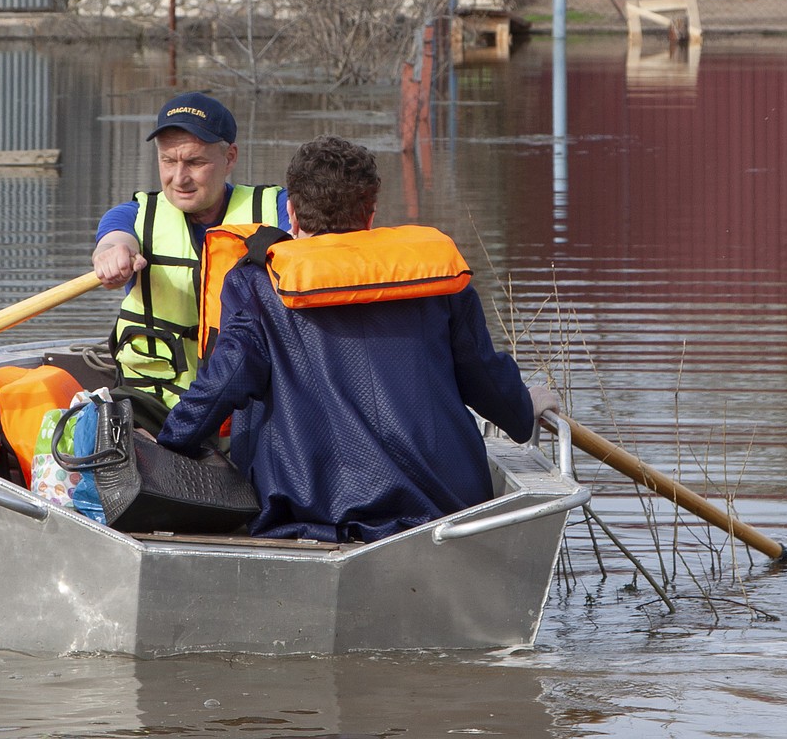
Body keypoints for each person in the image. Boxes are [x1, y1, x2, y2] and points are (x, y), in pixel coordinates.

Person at [157, 135, 560, 542]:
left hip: (311, 511)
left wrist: (167, 444)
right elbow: (483, 377)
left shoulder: (255, 282)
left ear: (292, 215)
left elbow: (228, 376)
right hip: (444, 505)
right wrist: (523, 407)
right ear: (371, 216)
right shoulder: (436, 278)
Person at [93, 92, 288, 426]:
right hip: (155, 409)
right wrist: (113, 256)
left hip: (250, 412)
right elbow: (113, 240)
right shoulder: (133, 216)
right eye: (168, 161)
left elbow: (317, 251)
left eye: (195, 162)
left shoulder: (279, 210)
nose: (179, 178)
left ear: (229, 158)